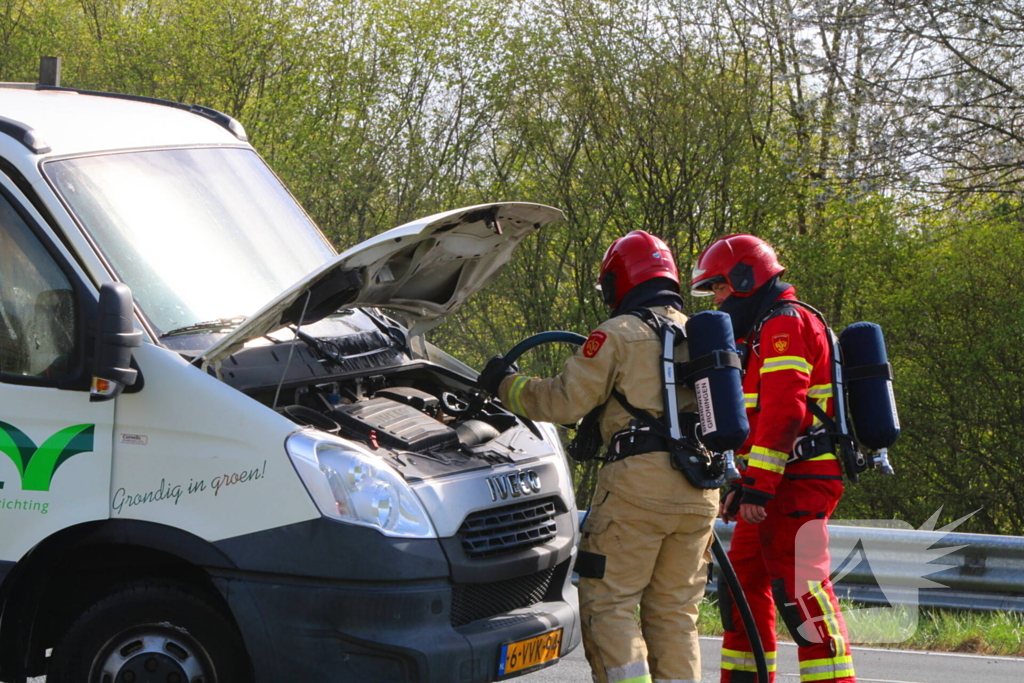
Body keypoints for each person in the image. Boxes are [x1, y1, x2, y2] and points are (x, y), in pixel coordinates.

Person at [478, 230, 719, 683]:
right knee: (674, 614)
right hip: (700, 489)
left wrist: (505, 384)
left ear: (619, 282)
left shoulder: (618, 334)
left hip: (637, 491)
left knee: (609, 604)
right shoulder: (698, 334)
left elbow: (562, 403)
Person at [690, 234, 856, 683]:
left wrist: (758, 485)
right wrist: (747, 483)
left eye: (720, 287)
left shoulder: (784, 324)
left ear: (747, 278)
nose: (718, 299)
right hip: (773, 481)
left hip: (797, 481)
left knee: (802, 595)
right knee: (741, 589)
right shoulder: (764, 327)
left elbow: (785, 412)